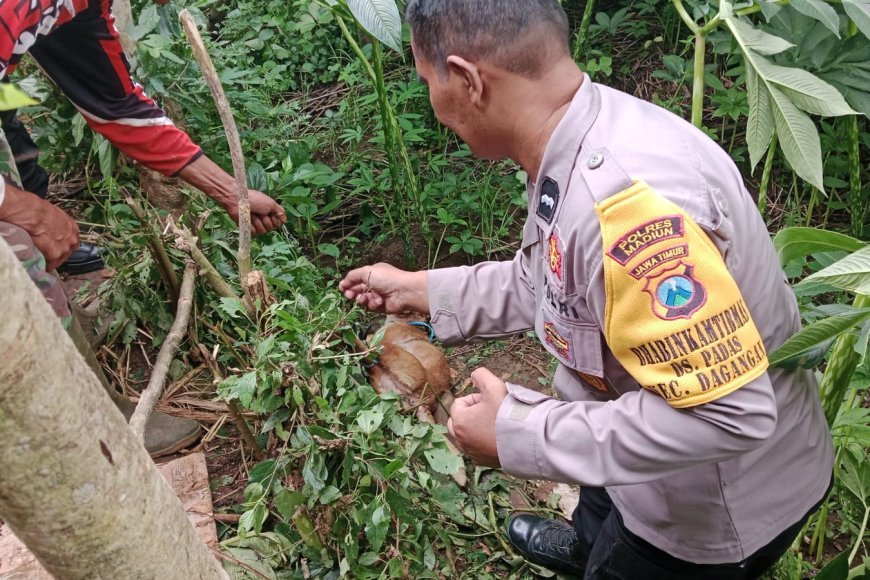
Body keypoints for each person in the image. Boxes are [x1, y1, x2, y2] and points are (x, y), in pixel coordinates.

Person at [339, 1, 834, 577]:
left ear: (469, 80)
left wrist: (518, 434)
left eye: (428, 81)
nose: (432, 102)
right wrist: (423, 290)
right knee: (600, 514)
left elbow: (727, 417)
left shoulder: (628, 213)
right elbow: (555, 279)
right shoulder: (578, 131)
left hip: (707, 511)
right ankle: (587, 542)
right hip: (630, 441)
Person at [0, 0, 287, 456]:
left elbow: (117, 104)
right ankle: (80, 436)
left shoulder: (81, 8)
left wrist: (230, 191)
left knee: (23, 174)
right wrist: (23, 211)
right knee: (16, 256)